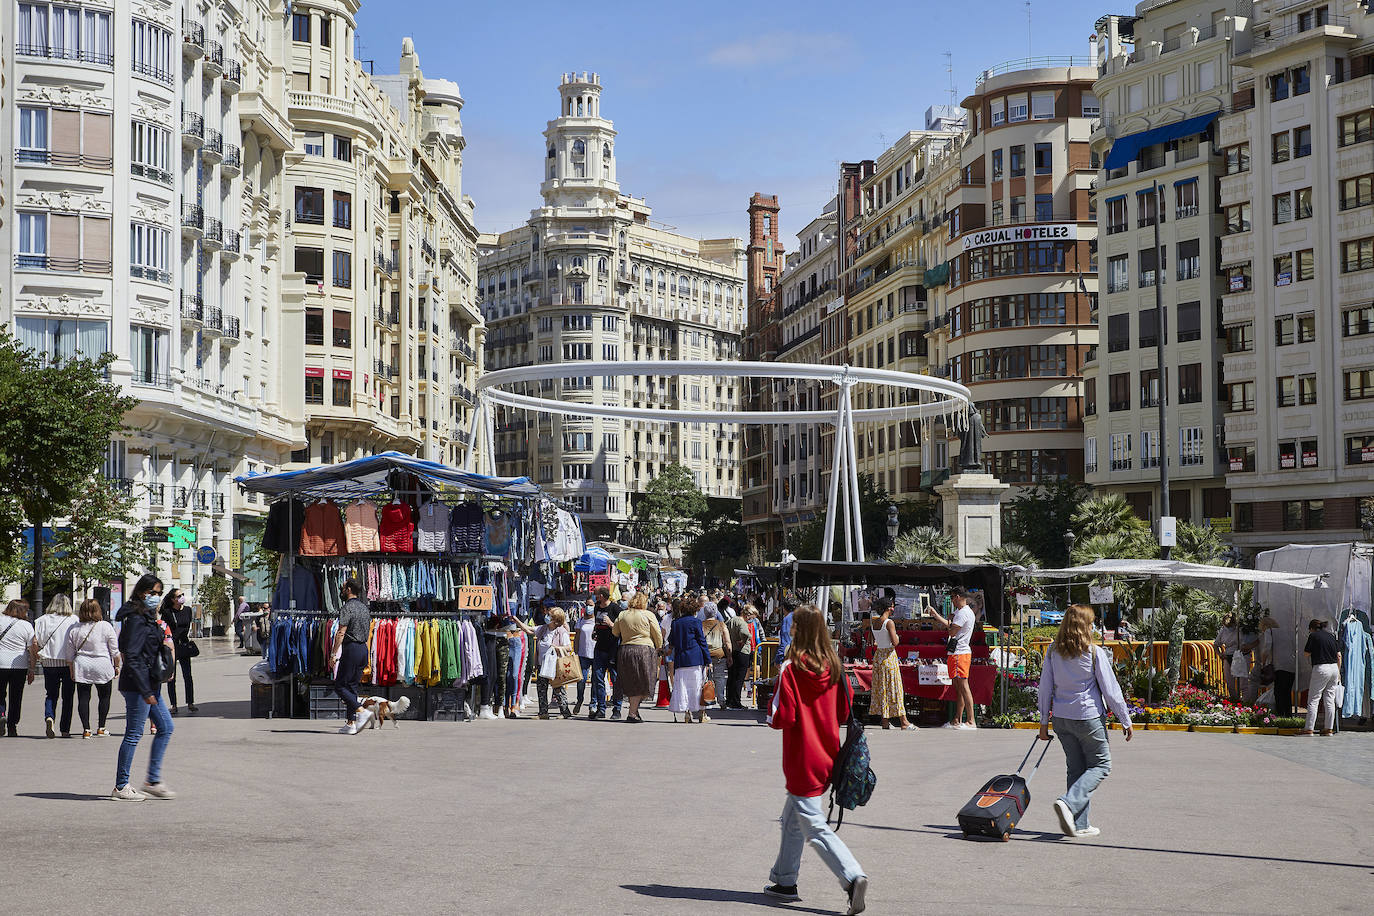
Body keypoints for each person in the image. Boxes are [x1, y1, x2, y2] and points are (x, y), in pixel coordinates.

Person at [764, 604, 868, 914]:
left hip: (801, 757)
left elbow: (781, 716)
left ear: (800, 629)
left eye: (794, 624)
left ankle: (852, 876)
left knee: (813, 825)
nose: (791, 628)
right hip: (827, 754)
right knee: (792, 819)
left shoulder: (791, 668)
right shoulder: (834, 666)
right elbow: (841, 713)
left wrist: (770, 713)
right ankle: (784, 880)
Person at [1037, 604, 1133, 838]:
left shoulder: (1052, 651)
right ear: (1083, 626)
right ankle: (1069, 804)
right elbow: (1110, 690)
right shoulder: (1093, 652)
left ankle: (1079, 824)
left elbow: (1045, 687)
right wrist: (1125, 718)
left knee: (1076, 768)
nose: (1093, 627)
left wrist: (1042, 722)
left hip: (1061, 718)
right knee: (1101, 765)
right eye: (1090, 623)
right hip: (1088, 716)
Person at [113, 574, 176, 801]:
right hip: (138, 686)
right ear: (142, 593)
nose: (156, 597)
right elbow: (132, 655)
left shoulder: (146, 617)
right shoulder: (137, 619)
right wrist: (146, 691)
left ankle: (152, 780)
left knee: (166, 727)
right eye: (153, 593)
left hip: (149, 684)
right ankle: (121, 786)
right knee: (133, 734)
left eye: (159, 593)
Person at [67, 598, 119, 738]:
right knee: (104, 696)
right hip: (102, 664)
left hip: (82, 665)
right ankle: (101, 727)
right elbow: (114, 650)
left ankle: (86, 729)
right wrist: (117, 666)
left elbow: (69, 654)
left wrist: (72, 670)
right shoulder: (105, 626)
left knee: (83, 698)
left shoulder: (74, 628)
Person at [928, 588, 977, 729]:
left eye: (952, 598)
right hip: (957, 652)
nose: (952, 602)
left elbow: (951, 630)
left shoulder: (963, 613)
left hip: (959, 653)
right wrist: (942, 618)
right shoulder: (961, 612)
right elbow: (950, 620)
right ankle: (957, 719)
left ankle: (971, 720)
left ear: (957, 597)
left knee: (963, 686)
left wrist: (942, 619)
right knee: (958, 687)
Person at [330, 578, 374, 735]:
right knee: (352, 687)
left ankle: (362, 711)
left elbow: (341, 632)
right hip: (363, 648)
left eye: (343, 588)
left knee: (340, 686)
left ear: (348, 589)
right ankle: (351, 723)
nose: (342, 591)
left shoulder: (347, 608)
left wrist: (333, 654)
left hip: (351, 648)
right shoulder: (364, 608)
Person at [611, 592, 663, 723]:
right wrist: (659, 647)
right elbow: (657, 634)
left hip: (625, 650)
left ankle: (634, 710)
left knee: (630, 681)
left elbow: (615, 632)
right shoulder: (648, 614)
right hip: (644, 650)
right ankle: (632, 713)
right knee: (644, 681)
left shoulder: (622, 614)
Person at [33, 593, 79, 738]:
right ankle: (65, 729)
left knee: (51, 694)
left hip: (49, 662)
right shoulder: (73, 619)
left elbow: (37, 641)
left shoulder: (41, 620)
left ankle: (49, 716)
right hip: (68, 662)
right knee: (68, 697)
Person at [868, 596, 915, 730]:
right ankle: (904, 722)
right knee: (895, 688)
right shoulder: (889, 623)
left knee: (882, 689)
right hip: (889, 656)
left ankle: (885, 721)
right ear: (889, 608)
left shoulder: (875, 622)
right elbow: (895, 642)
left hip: (878, 657)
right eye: (892, 606)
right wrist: (897, 637)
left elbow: (872, 641)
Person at [516, 608, 573, 719]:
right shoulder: (543, 629)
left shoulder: (561, 631)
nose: (546, 616)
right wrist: (516, 620)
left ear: (555, 620)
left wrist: (556, 647)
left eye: (550, 615)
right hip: (543, 664)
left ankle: (565, 712)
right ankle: (543, 712)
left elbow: (568, 647)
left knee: (558, 688)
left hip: (555, 665)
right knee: (541, 688)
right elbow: (529, 630)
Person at [668, 597, 713, 724]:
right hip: (695, 658)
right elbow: (702, 642)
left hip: (681, 659)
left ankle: (687, 713)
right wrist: (708, 659)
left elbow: (671, 641)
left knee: (684, 687)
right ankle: (701, 714)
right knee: (698, 687)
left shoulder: (676, 623)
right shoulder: (696, 622)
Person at [1299, 619, 1343, 737]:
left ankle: (1309, 728)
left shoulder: (1313, 636)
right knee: (1329, 699)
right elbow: (1339, 655)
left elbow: (1306, 654)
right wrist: (1338, 672)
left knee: (1314, 699)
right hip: (1334, 668)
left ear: (1311, 628)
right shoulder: (1331, 636)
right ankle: (1328, 729)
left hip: (1321, 668)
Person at [0, 599, 36, 737]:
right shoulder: (26, 626)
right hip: (19, 665)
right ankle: (12, 726)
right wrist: (31, 669)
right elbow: (32, 649)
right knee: (16, 696)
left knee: (0, 693)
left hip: (1, 662)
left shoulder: (0, 621)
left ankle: (1, 713)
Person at [159, 587, 197, 715]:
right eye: (179, 596)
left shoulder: (188, 610)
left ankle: (190, 703)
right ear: (172, 599)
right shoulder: (167, 612)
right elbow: (163, 627)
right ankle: (173, 705)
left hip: (184, 645)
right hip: (172, 646)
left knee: (188, 675)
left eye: (183, 595)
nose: (182, 597)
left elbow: (187, 626)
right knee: (171, 676)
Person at [589, 607, 621, 720]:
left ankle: (617, 708)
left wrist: (610, 624)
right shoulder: (597, 608)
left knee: (615, 679)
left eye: (597, 596)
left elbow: (620, 630)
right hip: (599, 648)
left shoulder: (616, 609)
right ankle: (601, 708)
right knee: (598, 679)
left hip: (613, 650)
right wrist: (595, 631)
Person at [701, 606, 731, 709]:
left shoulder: (701, 625)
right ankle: (721, 700)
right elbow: (727, 642)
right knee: (720, 678)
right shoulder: (721, 625)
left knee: (704, 678)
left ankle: (705, 699)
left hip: (704, 656)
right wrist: (729, 656)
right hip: (719, 655)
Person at [725, 604, 754, 709]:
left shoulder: (732, 620)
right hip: (742, 652)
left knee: (731, 677)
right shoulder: (742, 622)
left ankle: (729, 700)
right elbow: (745, 633)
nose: (752, 619)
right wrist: (744, 640)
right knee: (739, 678)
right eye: (752, 616)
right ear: (748, 615)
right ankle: (736, 701)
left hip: (732, 650)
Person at [573, 600, 596, 716]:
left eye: (591, 605)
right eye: (587, 605)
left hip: (595, 654)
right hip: (583, 654)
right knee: (581, 679)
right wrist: (575, 652)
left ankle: (593, 704)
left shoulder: (597, 620)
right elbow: (577, 637)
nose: (588, 607)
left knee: (595, 681)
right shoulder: (580, 620)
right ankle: (579, 699)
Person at [1214, 613, 1242, 701]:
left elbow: (1215, 644)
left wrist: (1220, 654)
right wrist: (1220, 654)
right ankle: (1235, 699)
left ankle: (1240, 699)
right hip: (1229, 655)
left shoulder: (1239, 630)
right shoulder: (1224, 630)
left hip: (1237, 655)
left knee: (1239, 680)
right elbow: (1216, 644)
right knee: (1231, 680)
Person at [775, 600, 798, 667]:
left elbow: (785, 640)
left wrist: (779, 658)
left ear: (784, 609)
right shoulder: (801, 617)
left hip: (790, 655)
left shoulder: (787, 619)